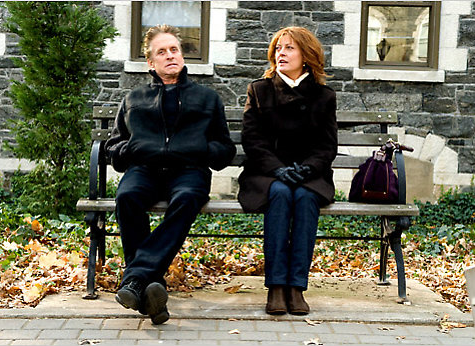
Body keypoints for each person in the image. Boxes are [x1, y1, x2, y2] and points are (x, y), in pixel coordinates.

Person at [105, 24, 235, 324]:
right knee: (127, 196)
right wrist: (131, 150)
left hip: (189, 171)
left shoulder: (207, 99)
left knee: (189, 198)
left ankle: (134, 279)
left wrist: (202, 149)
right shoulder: (134, 98)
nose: (170, 56)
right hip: (145, 170)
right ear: (151, 63)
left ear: (183, 56)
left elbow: (225, 149)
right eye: (161, 52)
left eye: (174, 50)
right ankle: (152, 294)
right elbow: (114, 145)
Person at [237, 27, 338, 316]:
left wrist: (307, 169)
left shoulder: (324, 96)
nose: (281, 53)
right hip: (266, 173)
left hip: (310, 174)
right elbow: (252, 140)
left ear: (307, 56)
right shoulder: (259, 90)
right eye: (278, 48)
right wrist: (279, 170)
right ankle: (276, 287)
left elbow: (327, 145)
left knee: (306, 198)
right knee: (280, 193)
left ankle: (296, 287)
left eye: (289, 48)